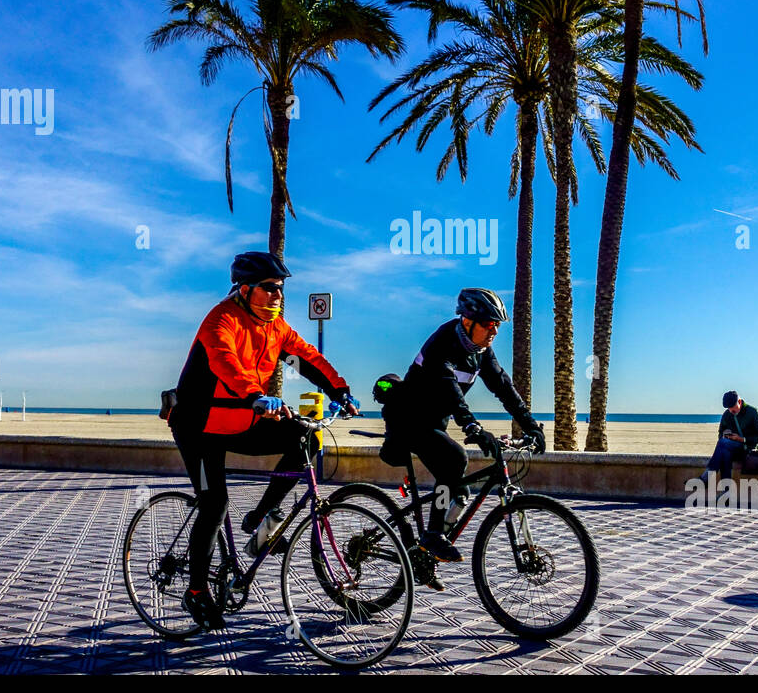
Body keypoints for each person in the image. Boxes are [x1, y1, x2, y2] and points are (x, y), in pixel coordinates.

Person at [167, 250, 360, 628]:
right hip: (199, 427)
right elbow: (226, 362)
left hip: (240, 420)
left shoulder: (276, 328)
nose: (278, 296)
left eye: (281, 289)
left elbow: (306, 359)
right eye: (270, 288)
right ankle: (195, 591)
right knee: (214, 503)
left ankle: (259, 518)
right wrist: (256, 395)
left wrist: (340, 390)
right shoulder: (220, 320)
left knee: (306, 440)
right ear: (245, 289)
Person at [381, 287, 545, 566]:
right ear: (467, 321)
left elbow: (504, 388)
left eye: (497, 325)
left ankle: (422, 557)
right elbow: (450, 393)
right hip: (407, 421)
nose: (493, 331)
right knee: (455, 459)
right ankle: (432, 536)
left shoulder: (481, 351)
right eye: (487, 324)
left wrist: (531, 426)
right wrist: (473, 428)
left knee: (459, 491)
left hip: (433, 424)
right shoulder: (442, 343)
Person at [700, 391, 758, 484]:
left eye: (733, 407)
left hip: (750, 449)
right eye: (728, 408)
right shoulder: (727, 414)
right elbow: (720, 433)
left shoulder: (753, 412)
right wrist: (726, 436)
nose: (731, 410)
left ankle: (707, 477)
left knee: (723, 446)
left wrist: (742, 439)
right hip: (733, 449)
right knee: (724, 450)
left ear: (739, 402)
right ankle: (726, 492)